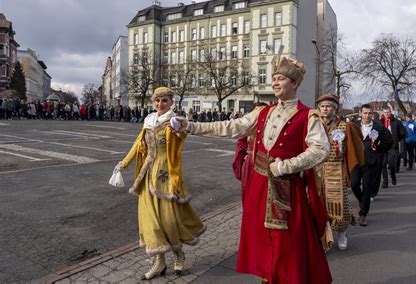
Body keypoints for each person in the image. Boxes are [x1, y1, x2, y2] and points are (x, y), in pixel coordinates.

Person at [176, 53, 333, 283]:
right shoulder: (263, 112)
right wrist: (190, 125)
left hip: (287, 190)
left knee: (287, 246)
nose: (275, 82)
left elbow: (321, 150)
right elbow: (231, 127)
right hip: (258, 189)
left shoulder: (307, 116)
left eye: (281, 78)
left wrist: (287, 165)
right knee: (263, 245)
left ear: (295, 83)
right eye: (274, 78)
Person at [113, 87, 205, 280]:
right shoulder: (148, 121)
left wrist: (180, 127)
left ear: (171, 102)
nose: (160, 104)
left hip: (166, 175)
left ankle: (178, 254)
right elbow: (138, 144)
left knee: (169, 220)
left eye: (164, 101)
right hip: (147, 174)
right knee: (150, 221)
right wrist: (123, 163)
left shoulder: (174, 121)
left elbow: (181, 137)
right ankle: (159, 261)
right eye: (157, 101)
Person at [316, 94, 364, 251]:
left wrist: (348, 172)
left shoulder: (345, 127)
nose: (325, 109)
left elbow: (353, 151)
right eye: (322, 106)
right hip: (316, 170)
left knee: (339, 205)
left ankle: (342, 233)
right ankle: (324, 237)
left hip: (336, 171)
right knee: (319, 205)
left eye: (328, 106)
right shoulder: (313, 125)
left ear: (334, 108)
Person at [351, 104, 393, 226]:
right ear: (360, 113)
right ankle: (361, 201)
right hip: (356, 161)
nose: (367, 115)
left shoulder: (379, 127)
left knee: (367, 188)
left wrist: (378, 152)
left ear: (373, 114)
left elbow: (389, 141)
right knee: (354, 184)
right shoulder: (353, 125)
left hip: (371, 162)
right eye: (365, 113)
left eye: (370, 113)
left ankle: (363, 214)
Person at [231, 102, 268, 203]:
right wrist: (241, 164)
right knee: (248, 193)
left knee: (264, 195)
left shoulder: (271, 128)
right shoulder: (248, 128)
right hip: (250, 165)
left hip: (266, 164)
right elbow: (240, 145)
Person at [380, 107, 406, 188]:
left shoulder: (396, 122)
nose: (387, 114)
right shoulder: (380, 122)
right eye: (385, 112)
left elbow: (403, 133)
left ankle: (393, 175)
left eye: (388, 112)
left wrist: (397, 139)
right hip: (383, 147)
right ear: (383, 113)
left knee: (392, 165)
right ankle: (385, 181)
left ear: (391, 112)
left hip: (393, 146)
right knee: (383, 165)